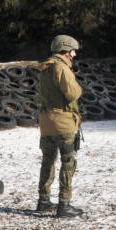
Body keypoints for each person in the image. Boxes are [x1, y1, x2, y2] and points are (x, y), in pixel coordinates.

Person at [36, 35, 84, 217]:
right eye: (73, 51)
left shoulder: (45, 67)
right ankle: (64, 204)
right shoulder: (61, 68)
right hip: (63, 122)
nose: (74, 54)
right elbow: (73, 93)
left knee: (48, 161)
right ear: (66, 50)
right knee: (68, 162)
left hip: (46, 122)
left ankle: (43, 201)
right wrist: (79, 88)